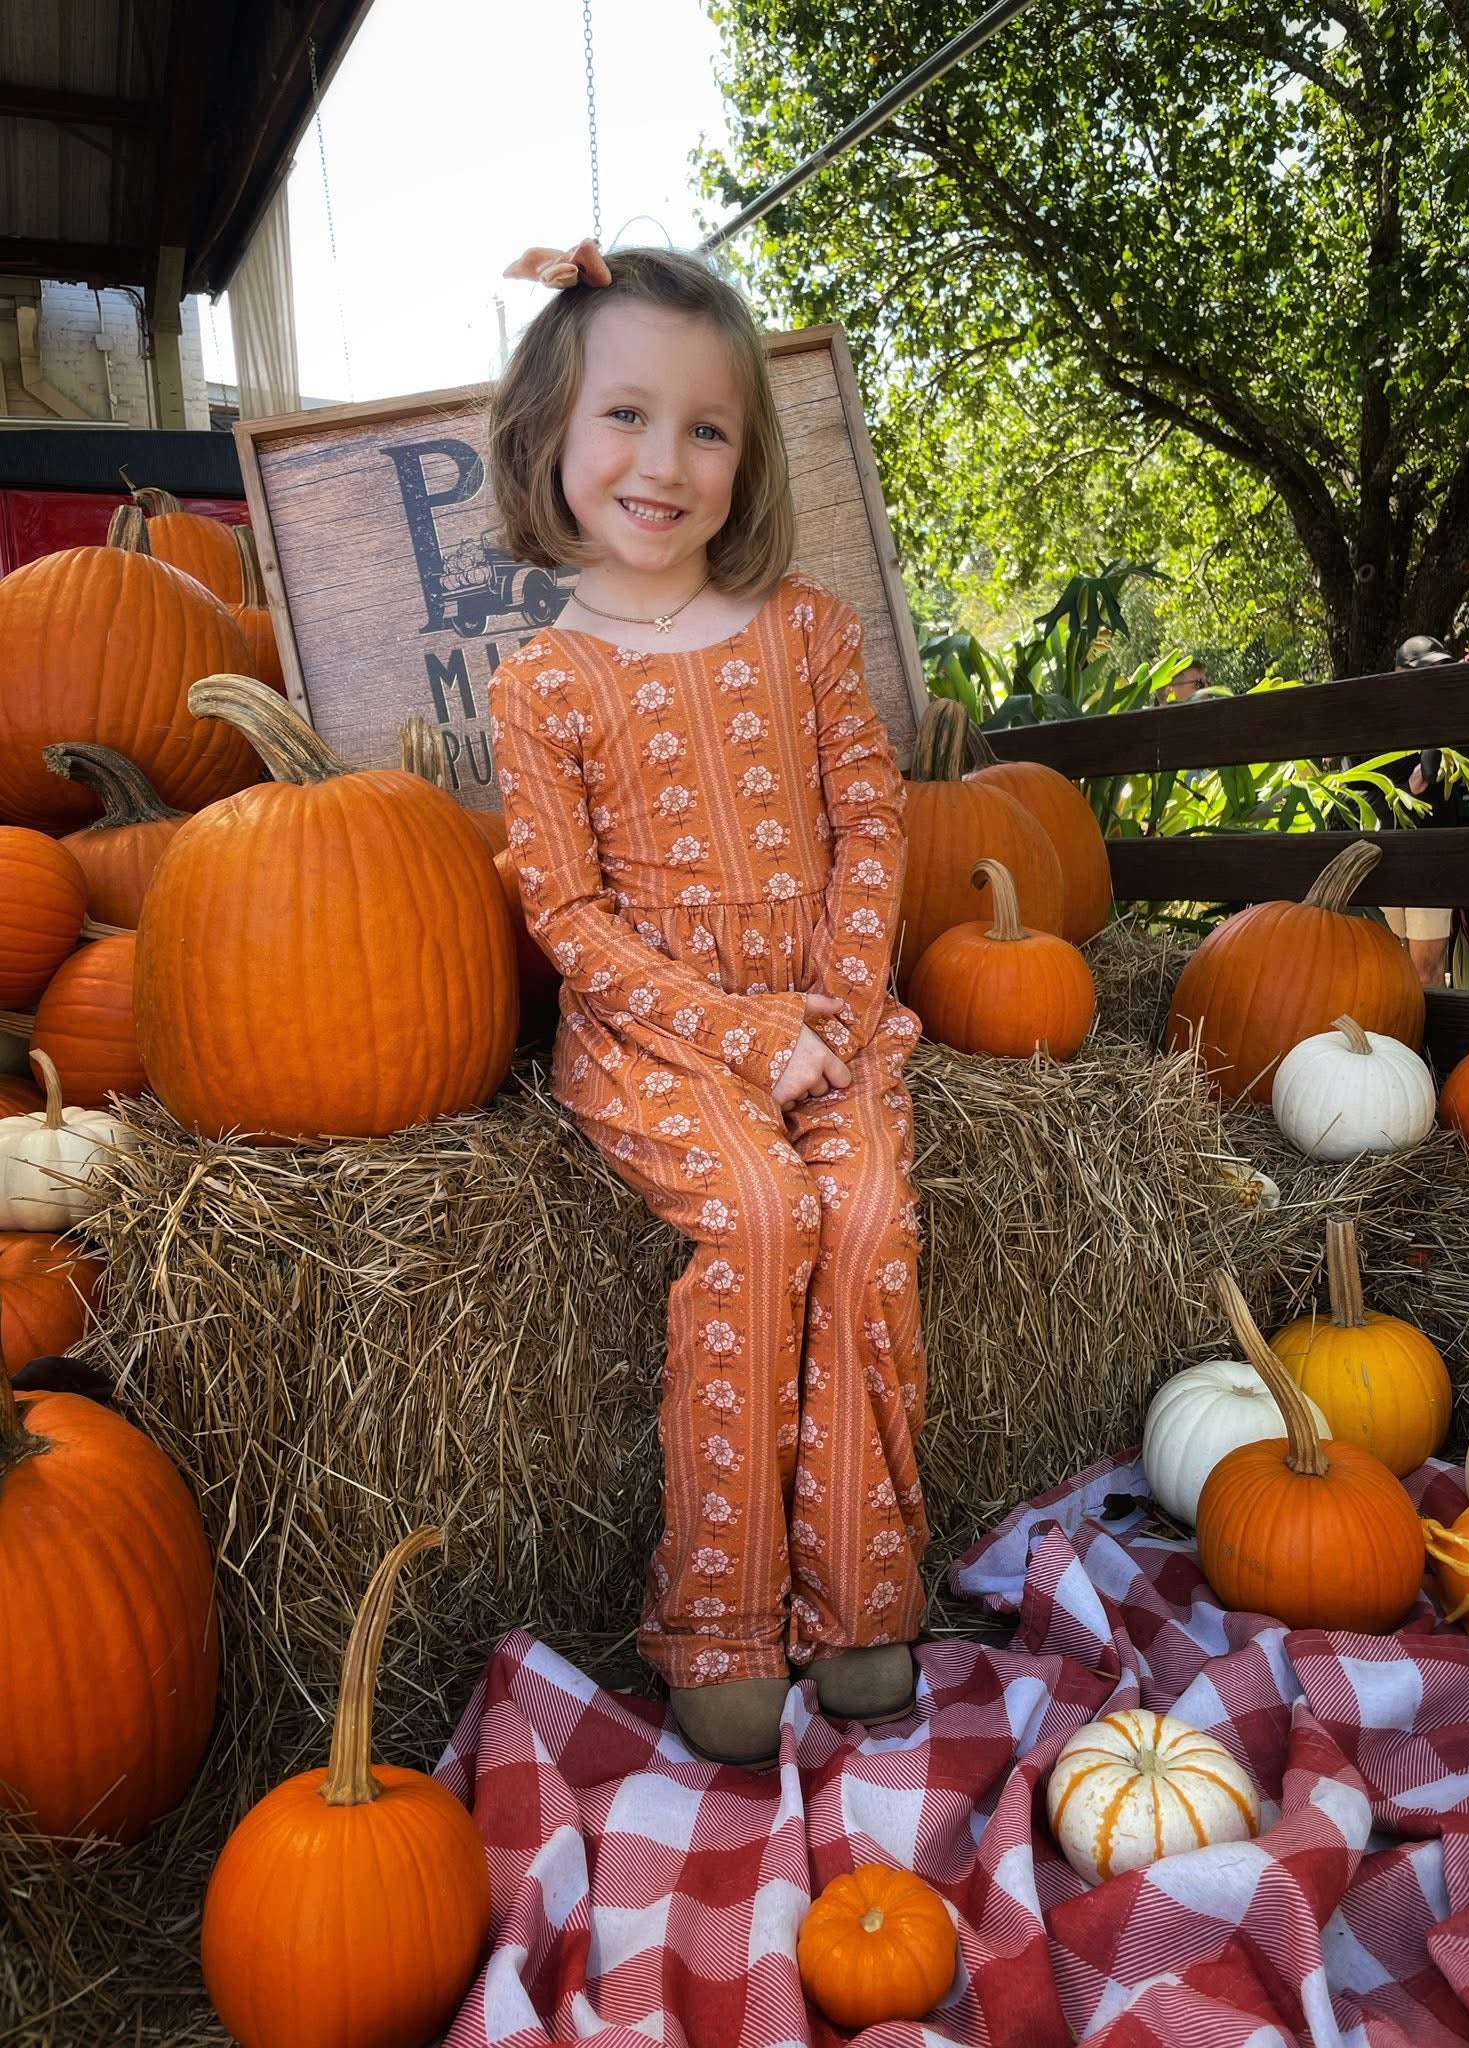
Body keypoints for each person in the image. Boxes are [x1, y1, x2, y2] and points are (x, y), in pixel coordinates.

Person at [485, 238, 926, 1767]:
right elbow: (567, 916)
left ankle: (865, 1599)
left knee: (864, 1211)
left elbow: (873, 816)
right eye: (626, 416)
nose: (662, 461)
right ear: (551, 432)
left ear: (747, 459)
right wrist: (746, 1037)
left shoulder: (800, 629)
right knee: (755, 1210)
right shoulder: (539, 683)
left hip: (830, 1008)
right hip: (660, 1031)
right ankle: (724, 1623)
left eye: (707, 428)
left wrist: (843, 1004)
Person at [1374, 634, 1460, 988]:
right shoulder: (1376, 729)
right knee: (1392, 965)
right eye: (1421, 674)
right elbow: (1364, 799)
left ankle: (1427, 1044)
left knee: (1426, 968)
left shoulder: (1450, 722)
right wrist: (1406, 790)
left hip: (1431, 856)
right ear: (1398, 674)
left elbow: (1432, 771)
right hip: (1387, 855)